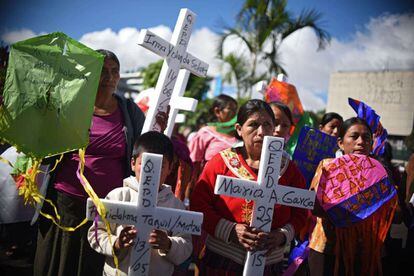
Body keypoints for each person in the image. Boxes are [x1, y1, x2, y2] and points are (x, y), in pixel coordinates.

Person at [34, 49, 167, 276]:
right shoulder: (71, 106)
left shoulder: (129, 111)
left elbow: (143, 148)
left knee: (96, 264)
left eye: (114, 71)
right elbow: (46, 151)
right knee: (61, 265)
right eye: (102, 71)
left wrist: (158, 130)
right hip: (67, 205)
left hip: (108, 209)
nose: (109, 77)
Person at [190, 99, 307, 275]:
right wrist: (230, 230)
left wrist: (282, 235)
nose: (261, 132)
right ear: (239, 129)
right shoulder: (221, 163)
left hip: (269, 265)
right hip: (222, 261)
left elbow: (301, 212)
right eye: (253, 125)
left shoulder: (289, 170)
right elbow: (199, 204)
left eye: (267, 124)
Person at [87, 131, 192, 276]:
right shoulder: (118, 196)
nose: (152, 171)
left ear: (170, 168)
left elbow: (186, 245)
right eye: (145, 164)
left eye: (160, 166)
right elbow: (96, 234)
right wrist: (117, 243)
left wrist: (168, 244)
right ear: (133, 164)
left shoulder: (176, 206)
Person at [308, 117, 397, 276]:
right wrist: (348, 211)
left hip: (365, 253)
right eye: (354, 136)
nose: (361, 141)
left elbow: (391, 214)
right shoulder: (327, 166)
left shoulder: (379, 173)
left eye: (366, 138)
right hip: (328, 250)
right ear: (340, 143)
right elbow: (314, 206)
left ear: (372, 144)